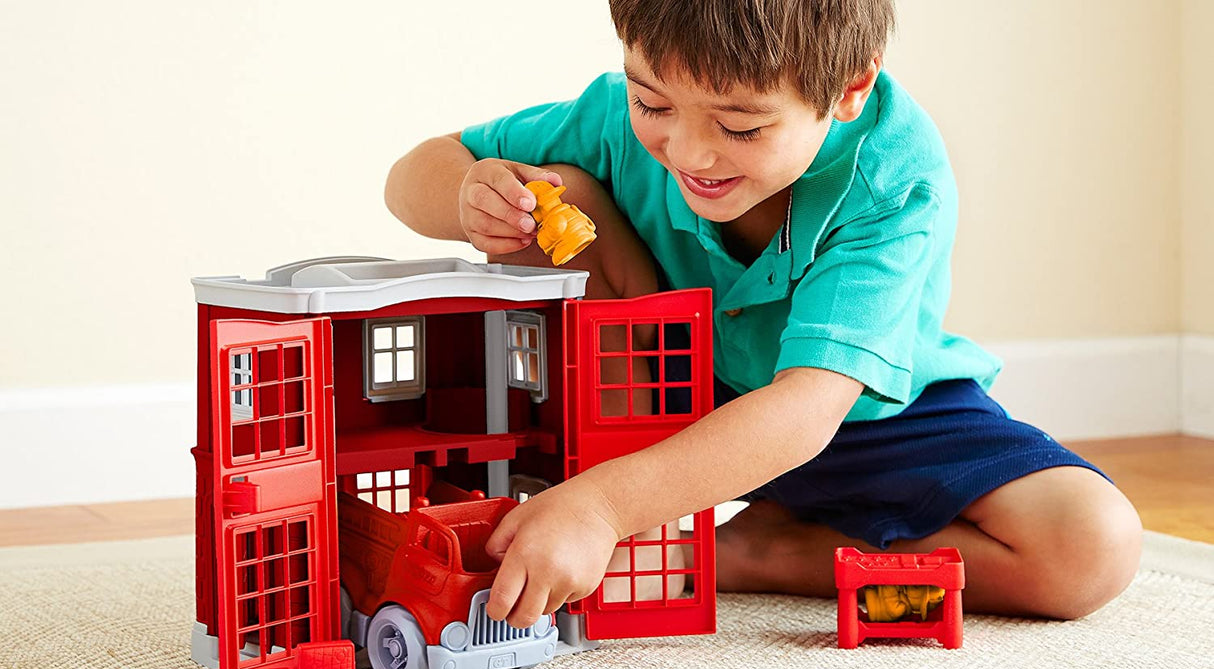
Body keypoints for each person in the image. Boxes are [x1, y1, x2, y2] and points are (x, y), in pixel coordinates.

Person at [384, 0, 1143, 629]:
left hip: (860, 413)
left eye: (740, 127)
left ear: (848, 91)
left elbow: (806, 411)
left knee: (1092, 547)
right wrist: (468, 193)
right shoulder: (615, 123)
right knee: (560, 193)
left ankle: (757, 553)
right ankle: (642, 509)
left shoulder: (892, 177)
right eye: (652, 102)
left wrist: (604, 505)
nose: (687, 151)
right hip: (678, 391)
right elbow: (416, 170)